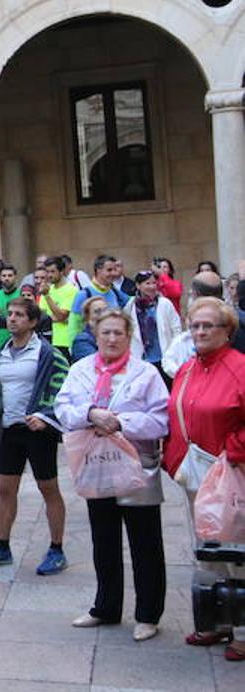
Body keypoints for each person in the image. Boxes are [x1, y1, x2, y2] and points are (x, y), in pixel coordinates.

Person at [55, 309, 168, 642]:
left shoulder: (146, 373)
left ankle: (148, 614)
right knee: (103, 539)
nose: (112, 339)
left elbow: (161, 420)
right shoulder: (79, 370)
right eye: (106, 333)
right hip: (97, 465)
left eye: (119, 333)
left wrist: (121, 422)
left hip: (137, 465)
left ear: (129, 336)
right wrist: (90, 413)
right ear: (95, 334)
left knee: (145, 542)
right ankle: (105, 606)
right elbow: (62, 410)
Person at [167, 297, 245, 659]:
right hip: (196, 475)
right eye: (195, 325)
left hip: (231, 474)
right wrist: (175, 458)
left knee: (237, 551)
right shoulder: (187, 368)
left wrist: (233, 452)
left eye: (207, 325)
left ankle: (242, 630)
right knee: (206, 550)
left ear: (226, 330)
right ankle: (216, 622)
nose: (199, 332)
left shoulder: (239, 367)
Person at [0, 298, 70, 576]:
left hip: (39, 432)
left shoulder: (47, 353)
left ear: (33, 321)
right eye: (10, 314)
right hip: (11, 430)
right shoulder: (1, 353)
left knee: (48, 490)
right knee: (4, 489)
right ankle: (1, 547)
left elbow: (63, 389)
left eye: (19, 315)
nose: (12, 319)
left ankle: (57, 549)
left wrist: (47, 418)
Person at [126, 269, 182, 382]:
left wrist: (175, 350)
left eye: (154, 283)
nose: (152, 287)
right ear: (138, 285)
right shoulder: (130, 306)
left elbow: (176, 328)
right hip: (142, 358)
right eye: (147, 283)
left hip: (164, 356)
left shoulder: (165, 304)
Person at [0, 264, 21, 352]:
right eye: (4, 276)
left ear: (15, 277)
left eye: (10, 275)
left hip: (19, 342)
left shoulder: (21, 294)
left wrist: (1, 320)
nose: (7, 278)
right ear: (0, 278)